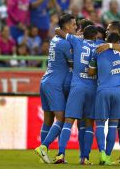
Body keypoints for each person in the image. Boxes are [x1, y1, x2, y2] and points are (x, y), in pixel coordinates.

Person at [34, 14, 76, 164]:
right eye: (73, 24)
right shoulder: (64, 43)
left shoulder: (55, 40)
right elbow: (74, 63)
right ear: (66, 26)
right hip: (55, 84)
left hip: (46, 80)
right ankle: (43, 147)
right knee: (61, 118)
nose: (76, 27)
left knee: (48, 120)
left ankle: (42, 155)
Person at [54, 25, 98, 165]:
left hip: (77, 86)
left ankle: (60, 154)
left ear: (84, 34)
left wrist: (76, 36)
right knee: (89, 123)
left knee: (69, 121)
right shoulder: (100, 45)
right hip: (92, 87)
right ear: (95, 36)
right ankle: (85, 158)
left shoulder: (77, 40)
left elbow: (57, 30)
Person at [88, 32, 120, 165]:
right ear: (118, 41)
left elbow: (90, 71)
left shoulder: (98, 50)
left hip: (103, 90)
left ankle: (102, 153)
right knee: (113, 125)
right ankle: (107, 156)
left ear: (107, 40)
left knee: (100, 124)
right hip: (119, 90)